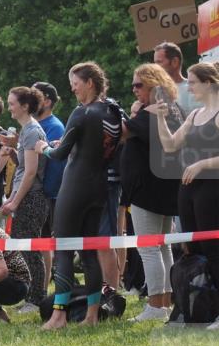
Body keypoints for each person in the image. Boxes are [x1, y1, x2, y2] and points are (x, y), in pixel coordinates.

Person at [35, 62, 123, 330]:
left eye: (75, 83)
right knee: (88, 253)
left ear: (90, 83)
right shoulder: (112, 111)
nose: (72, 89)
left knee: (63, 249)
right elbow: (96, 146)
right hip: (99, 187)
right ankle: (91, 315)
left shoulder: (82, 112)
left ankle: (59, 316)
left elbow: (60, 154)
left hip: (75, 186)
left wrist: (43, 148)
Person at [147, 61, 219, 317]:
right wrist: (160, 117)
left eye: (193, 82)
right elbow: (169, 145)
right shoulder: (194, 114)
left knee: (213, 249)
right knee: (192, 248)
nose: (188, 87)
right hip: (188, 189)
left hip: (212, 188)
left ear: (208, 83)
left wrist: (202, 164)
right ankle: (202, 306)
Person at [122, 63, 182, 321]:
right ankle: (164, 302)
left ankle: (156, 305)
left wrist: (135, 112)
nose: (134, 90)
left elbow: (123, 132)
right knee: (162, 247)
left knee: (149, 248)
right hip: (164, 188)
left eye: (139, 85)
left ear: (153, 84)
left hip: (147, 190)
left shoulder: (152, 111)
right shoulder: (172, 108)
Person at [0, 87, 49, 312]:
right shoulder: (27, 131)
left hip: (31, 198)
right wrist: (13, 154)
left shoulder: (32, 131)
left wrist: (15, 202)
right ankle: (32, 295)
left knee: (30, 249)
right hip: (26, 195)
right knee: (24, 247)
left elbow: (31, 173)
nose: (9, 108)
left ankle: (36, 298)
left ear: (25, 106)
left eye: (12, 104)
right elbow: (25, 167)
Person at [33, 81, 67, 290]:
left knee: (44, 242)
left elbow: (53, 163)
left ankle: (42, 289)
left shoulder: (54, 126)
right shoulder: (34, 124)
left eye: (34, 96)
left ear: (46, 101)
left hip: (48, 193)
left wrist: (46, 193)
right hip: (37, 191)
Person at [155, 41, 199, 113]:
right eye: (155, 63)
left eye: (159, 62)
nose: (155, 67)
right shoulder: (157, 92)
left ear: (175, 61)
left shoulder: (194, 88)